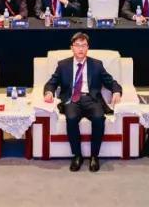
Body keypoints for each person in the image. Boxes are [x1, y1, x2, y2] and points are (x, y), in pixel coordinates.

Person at [42, 32, 122, 172]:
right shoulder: (63, 65)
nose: (80, 49)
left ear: (87, 48)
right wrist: (49, 92)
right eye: (77, 45)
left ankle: (94, 156)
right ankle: (77, 156)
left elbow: (111, 82)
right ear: (72, 48)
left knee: (99, 118)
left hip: (92, 99)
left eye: (83, 45)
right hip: (72, 99)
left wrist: (116, 91)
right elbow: (52, 83)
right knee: (71, 118)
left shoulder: (97, 65)